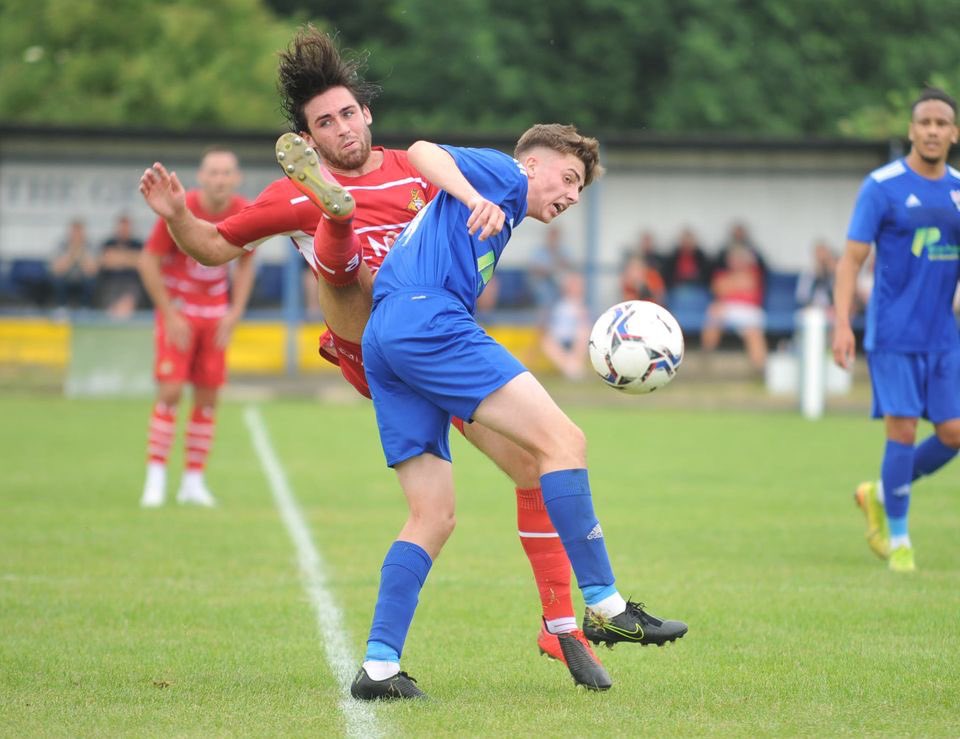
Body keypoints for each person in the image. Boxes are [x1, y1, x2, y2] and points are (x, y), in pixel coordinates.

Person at [138, 26, 603, 688]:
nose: (342, 128)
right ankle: (335, 220)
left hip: (434, 343)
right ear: (309, 138)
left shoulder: (419, 170)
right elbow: (211, 247)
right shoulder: (286, 192)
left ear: (367, 113)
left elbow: (473, 224)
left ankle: (553, 626)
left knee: (522, 470)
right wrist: (179, 214)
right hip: (367, 339)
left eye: (348, 113)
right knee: (348, 269)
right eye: (324, 123)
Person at [338, 124, 687, 700]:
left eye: (581, 189)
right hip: (429, 322)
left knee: (437, 514)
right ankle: (605, 604)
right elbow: (423, 151)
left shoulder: (500, 215)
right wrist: (476, 195)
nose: (572, 195)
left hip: (389, 337)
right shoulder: (503, 176)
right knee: (564, 442)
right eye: (568, 178)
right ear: (532, 165)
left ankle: (378, 667)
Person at [833, 87, 960, 574]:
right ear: (911, 130)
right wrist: (843, 323)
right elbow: (851, 260)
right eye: (924, 122)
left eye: (941, 123)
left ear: (953, 133)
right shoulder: (882, 186)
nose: (931, 130)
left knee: (952, 434)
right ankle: (901, 541)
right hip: (893, 335)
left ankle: (880, 494)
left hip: (943, 338)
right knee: (903, 430)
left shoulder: (956, 191)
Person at [138, 147, 255, 508]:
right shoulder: (179, 204)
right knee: (171, 392)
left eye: (226, 173)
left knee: (207, 398)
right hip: (181, 312)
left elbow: (247, 263)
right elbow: (149, 260)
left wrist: (235, 312)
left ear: (236, 179)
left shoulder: (242, 209)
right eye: (213, 172)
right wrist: (169, 314)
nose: (219, 179)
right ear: (201, 177)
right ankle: (155, 479)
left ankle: (193, 481)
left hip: (215, 316)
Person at [700, 243, 767, 370]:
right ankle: (705, 359)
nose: (736, 261)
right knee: (714, 311)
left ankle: (759, 368)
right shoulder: (720, 274)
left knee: (753, 332)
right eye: (734, 259)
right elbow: (718, 289)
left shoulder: (754, 272)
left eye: (740, 258)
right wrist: (736, 283)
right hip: (727, 308)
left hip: (750, 310)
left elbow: (748, 284)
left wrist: (730, 284)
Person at [540, 271, 592, 380]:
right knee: (546, 342)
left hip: (574, 339)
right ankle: (570, 368)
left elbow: (586, 325)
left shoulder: (582, 306)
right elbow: (551, 326)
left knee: (583, 332)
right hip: (559, 339)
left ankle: (574, 367)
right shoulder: (559, 305)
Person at [96, 213, 145, 318]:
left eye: (126, 227)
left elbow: (142, 262)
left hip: (132, 283)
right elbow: (105, 261)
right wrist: (131, 258)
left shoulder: (138, 244)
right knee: (110, 304)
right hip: (111, 283)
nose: (124, 230)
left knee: (129, 300)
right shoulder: (108, 243)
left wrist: (117, 257)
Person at [50, 219, 98, 308]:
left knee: (91, 281)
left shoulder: (90, 245)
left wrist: (81, 254)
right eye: (74, 232)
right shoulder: (61, 245)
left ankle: (85, 308)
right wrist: (71, 254)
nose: (77, 235)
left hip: (83, 279)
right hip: (66, 278)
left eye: (79, 232)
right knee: (57, 280)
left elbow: (92, 270)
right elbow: (57, 270)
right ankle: (61, 307)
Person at [527, 224, 573, 312]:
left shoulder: (563, 250)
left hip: (560, 284)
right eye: (552, 236)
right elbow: (534, 268)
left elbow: (569, 266)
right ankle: (545, 317)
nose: (554, 239)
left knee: (568, 286)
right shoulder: (539, 251)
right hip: (543, 283)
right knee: (544, 291)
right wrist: (549, 270)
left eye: (556, 236)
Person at [795, 239, 837, 311]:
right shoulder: (807, 274)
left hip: (831, 310)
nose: (821, 258)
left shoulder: (834, 274)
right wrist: (817, 277)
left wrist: (833, 273)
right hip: (813, 309)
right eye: (819, 254)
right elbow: (802, 297)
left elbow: (838, 297)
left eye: (824, 254)